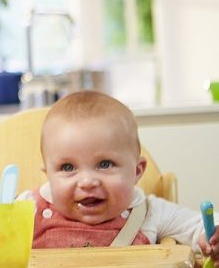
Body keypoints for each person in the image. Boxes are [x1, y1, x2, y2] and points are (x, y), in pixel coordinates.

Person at [16, 91, 218, 263]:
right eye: (68, 167)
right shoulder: (27, 209)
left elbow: (200, 224)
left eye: (105, 164)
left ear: (137, 171)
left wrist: (212, 236)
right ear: (49, 176)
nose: (87, 182)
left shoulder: (149, 212)